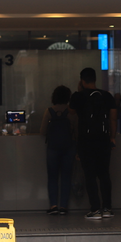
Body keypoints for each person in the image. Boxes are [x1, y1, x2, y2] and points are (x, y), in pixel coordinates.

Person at [70, 67, 117, 219]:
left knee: (89, 175)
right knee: (104, 174)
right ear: (95, 79)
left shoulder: (78, 96)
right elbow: (113, 118)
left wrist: (80, 91)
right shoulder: (107, 96)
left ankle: (95, 209)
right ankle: (107, 208)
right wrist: (112, 137)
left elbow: (71, 112)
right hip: (103, 139)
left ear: (82, 81)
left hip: (86, 140)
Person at [40, 85, 78, 215]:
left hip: (53, 148)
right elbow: (77, 131)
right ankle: (64, 207)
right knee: (66, 177)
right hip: (69, 147)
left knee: (52, 177)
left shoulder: (49, 111)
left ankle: (53, 205)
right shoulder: (71, 112)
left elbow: (42, 131)